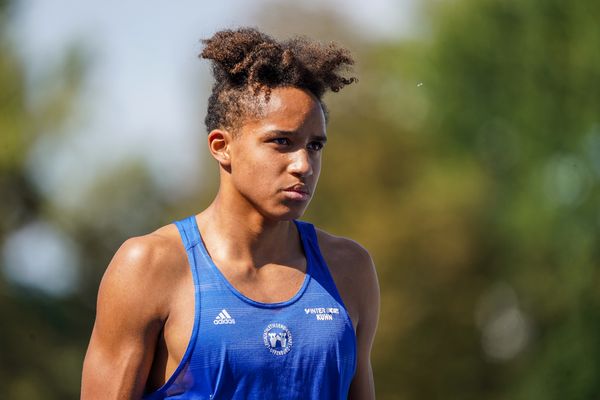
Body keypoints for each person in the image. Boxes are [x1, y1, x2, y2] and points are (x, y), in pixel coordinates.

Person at [81, 27, 380, 399]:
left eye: (315, 146)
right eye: (281, 142)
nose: (303, 164)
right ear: (222, 147)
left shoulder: (349, 269)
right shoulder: (148, 266)